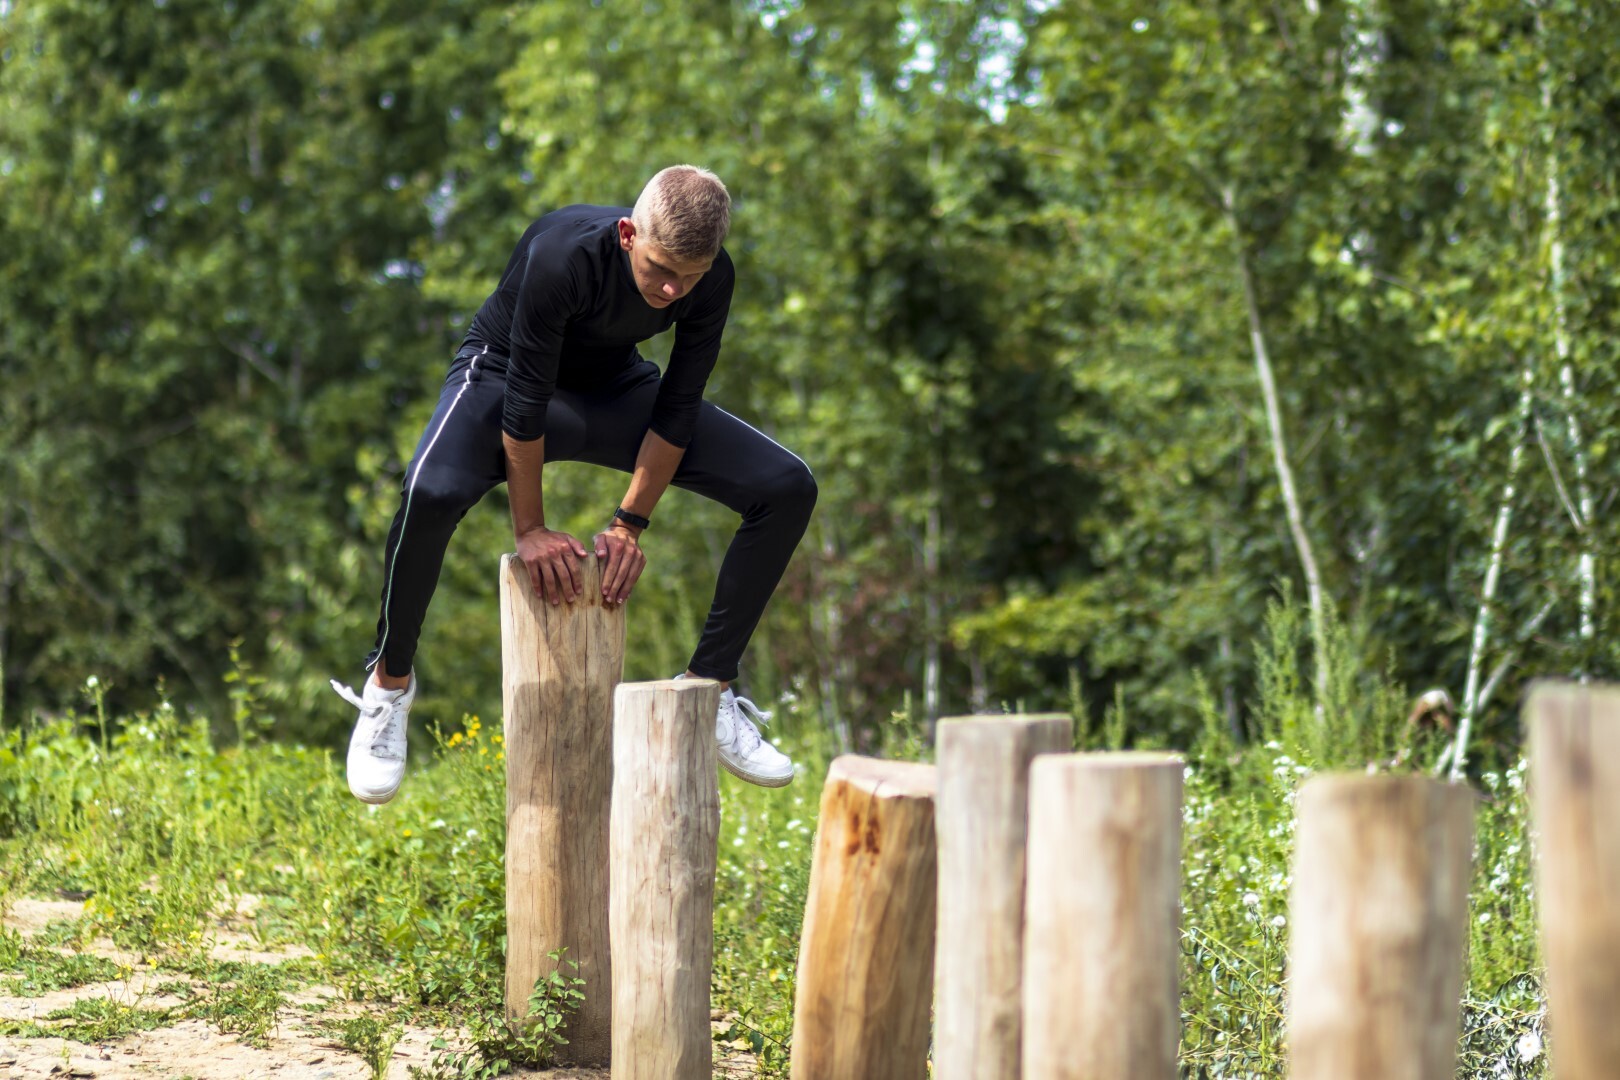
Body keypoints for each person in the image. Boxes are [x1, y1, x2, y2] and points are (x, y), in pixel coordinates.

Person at [329, 165, 815, 803]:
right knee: (429, 492)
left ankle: (712, 688)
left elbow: (679, 403)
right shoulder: (562, 254)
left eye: (689, 276)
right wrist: (529, 529)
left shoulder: (710, 278)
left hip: (614, 388)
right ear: (625, 235)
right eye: (659, 268)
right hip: (503, 375)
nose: (672, 289)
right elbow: (525, 401)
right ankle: (388, 688)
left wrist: (629, 522)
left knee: (786, 485)